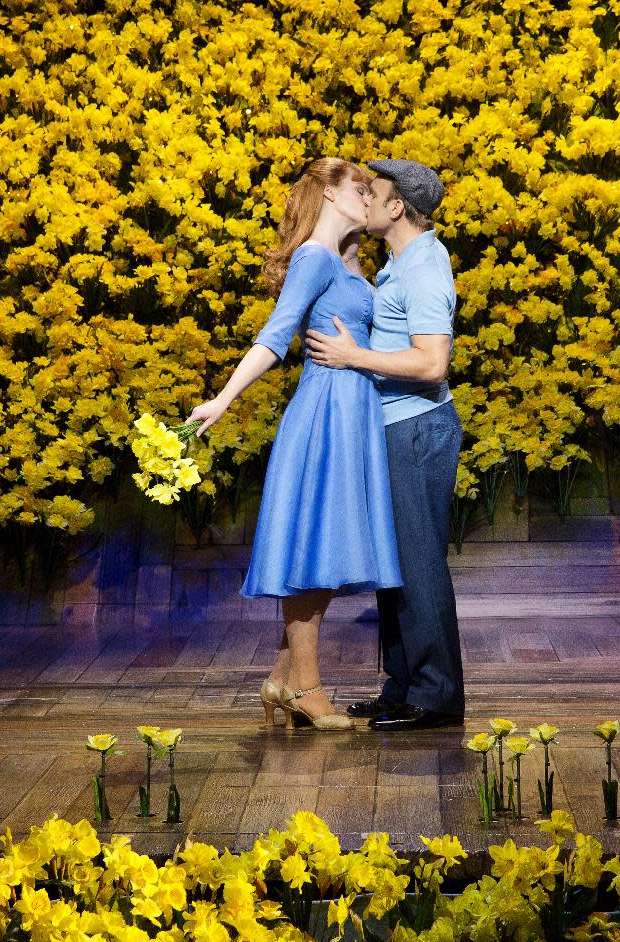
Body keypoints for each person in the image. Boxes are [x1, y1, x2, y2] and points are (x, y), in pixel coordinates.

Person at [185, 158, 403, 732]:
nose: (366, 197)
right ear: (328, 194)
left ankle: (282, 680)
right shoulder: (313, 258)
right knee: (315, 549)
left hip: (351, 410)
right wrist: (224, 399)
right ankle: (306, 687)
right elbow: (276, 333)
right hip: (326, 413)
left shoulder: (348, 264)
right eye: (357, 188)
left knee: (326, 550)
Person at [304, 159, 465, 730]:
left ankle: (435, 696)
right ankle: (403, 687)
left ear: (398, 208)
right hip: (395, 427)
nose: (365, 200)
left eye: (375, 193)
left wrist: (353, 357)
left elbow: (431, 361)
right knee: (395, 565)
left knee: (418, 563)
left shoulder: (423, 267)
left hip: (417, 429)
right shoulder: (400, 263)